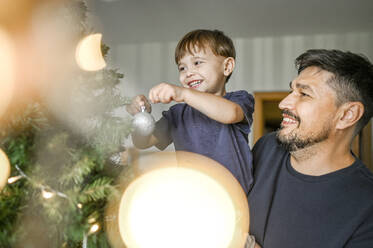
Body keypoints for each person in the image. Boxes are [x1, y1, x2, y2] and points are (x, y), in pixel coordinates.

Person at [248, 49, 373, 247]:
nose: (283, 103)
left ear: (347, 115)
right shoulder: (266, 147)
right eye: (292, 91)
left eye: (304, 94)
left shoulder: (367, 207)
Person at [126, 29, 255, 194]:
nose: (188, 73)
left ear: (227, 66)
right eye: (182, 68)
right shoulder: (177, 114)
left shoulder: (238, 99)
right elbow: (142, 142)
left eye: (197, 63)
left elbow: (230, 114)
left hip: (236, 198)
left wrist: (183, 93)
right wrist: (141, 117)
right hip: (195, 196)